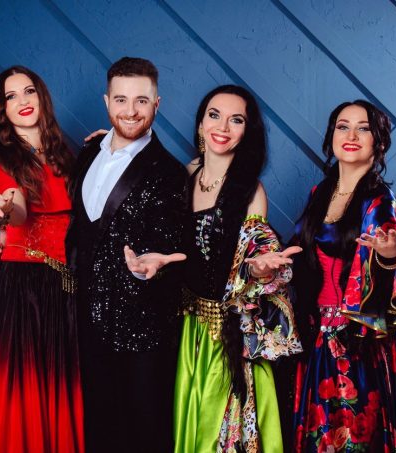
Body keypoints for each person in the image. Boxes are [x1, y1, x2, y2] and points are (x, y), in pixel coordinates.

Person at [125, 85, 303, 452]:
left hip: (227, 337)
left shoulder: (250, 191)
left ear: (246, 132)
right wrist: (157, 261)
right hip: (185, 330)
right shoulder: (183, 176)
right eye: (214, 115)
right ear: (200, 123)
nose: (222, 127)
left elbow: (256, 255)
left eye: (236, 120)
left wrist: (260, 269)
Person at [289, 100, 396, 452]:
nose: (351, 135)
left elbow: (388, 276)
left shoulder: (380, 201)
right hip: (317, 338)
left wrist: (388, 256)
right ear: (331, 136)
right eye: (343, 126)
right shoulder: (319, 193)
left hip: (359, 342)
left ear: (378, 142)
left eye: (363, 128)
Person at [64, 56, 187, 453]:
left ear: (157, 104)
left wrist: (149, 267)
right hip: (86, 321)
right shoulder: (87, 154)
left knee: (144, 434)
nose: (130, 111)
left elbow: (171, 245)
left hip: (142, 327)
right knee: (97, 431)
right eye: (121, 100)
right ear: (107, 101)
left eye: (141, 101)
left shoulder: (169, 172)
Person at [0, 65, 83, 453]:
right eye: (11, 96)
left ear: (41, 96)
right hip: (23, 290)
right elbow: (13, 208)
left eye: (28, 91)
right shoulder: (5, 162)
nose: (22, 101)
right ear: (2, 111)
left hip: (64, 287)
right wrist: (3, 210)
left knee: (60, 393)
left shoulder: (66, 155)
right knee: (20, 397)